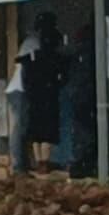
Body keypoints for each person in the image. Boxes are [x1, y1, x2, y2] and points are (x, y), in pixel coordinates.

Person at [16, 14, 73, 172]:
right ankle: (44, 163)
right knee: (48, 130)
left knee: (36, 129)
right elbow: (64, 76)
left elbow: (23, 69)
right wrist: (56, 84)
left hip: (35, 97)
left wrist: (32, 90)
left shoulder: (32, 57)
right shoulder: (58, 58)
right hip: (49, 96)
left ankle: (38, 161)